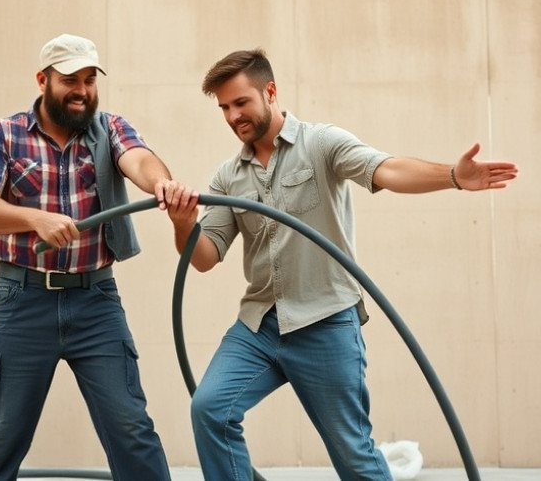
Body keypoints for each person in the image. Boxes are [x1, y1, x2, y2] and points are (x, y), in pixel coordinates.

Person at [166, 48, 518, 481]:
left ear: (270, 91)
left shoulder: (320, 143)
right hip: (260, 326)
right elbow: (204, 258)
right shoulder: (227, 176)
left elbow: (387, 169)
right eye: (224, 107)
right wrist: (183, 225)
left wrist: (453, 177)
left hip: (325, 321)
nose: (232, 115)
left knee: (353, 455)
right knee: (210, 409)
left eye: (241, 102)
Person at [0, 33, 186, 481]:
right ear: (43, 80)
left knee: (132, 427)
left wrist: (160, 183)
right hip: (21, 301)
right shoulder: (3, 134)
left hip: (96, 301)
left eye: (89, 79)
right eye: (70, 79)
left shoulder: (111, 128)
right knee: (1, 435)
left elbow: (140, 160)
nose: (81, 90)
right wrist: (34, 219)